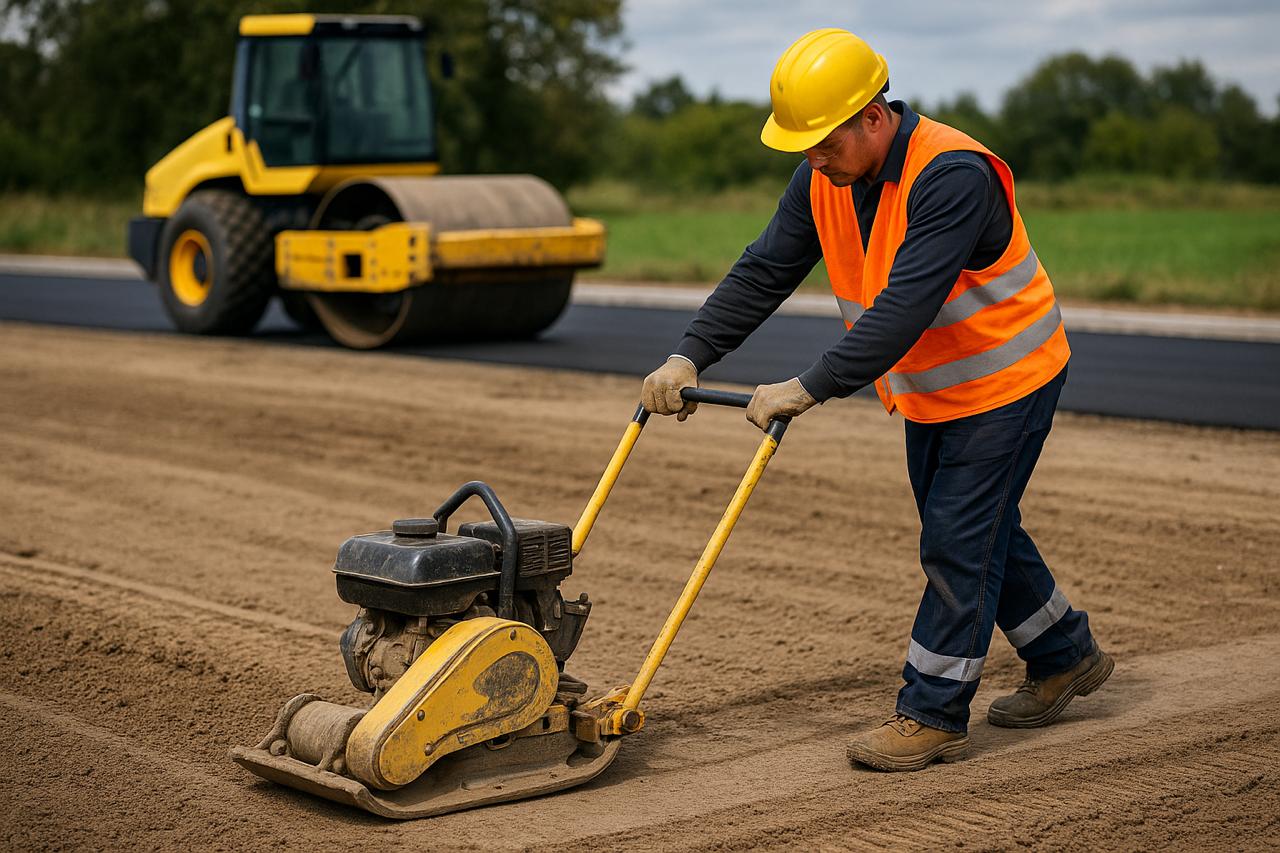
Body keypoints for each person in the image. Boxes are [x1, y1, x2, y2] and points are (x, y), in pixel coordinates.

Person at [640, 28, 1112, 772]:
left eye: (823, 141)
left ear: (873, 116)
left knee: (957, 538)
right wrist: (687, 351)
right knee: (978, 526)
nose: (812, 158)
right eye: (802, 145)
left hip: (1008, 382)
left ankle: (932, 710)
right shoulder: (823, 179)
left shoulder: (953, 174)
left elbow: (905, 304)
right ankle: (1065, 654)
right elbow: (764, 269)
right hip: (934, 389)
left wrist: (808, 386)